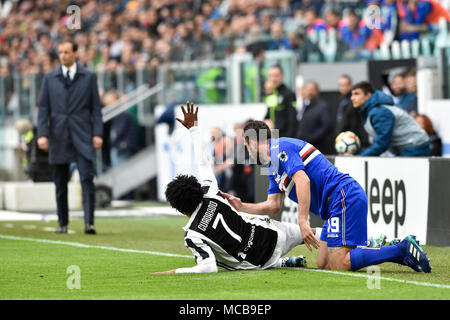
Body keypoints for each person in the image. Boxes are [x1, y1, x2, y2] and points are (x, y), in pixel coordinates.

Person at [221, 119, 431, 273]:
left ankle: (400, 247)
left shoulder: (279, 147)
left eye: (245, 145)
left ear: (252, 142)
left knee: (340, 264)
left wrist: (302, 221)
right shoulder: (271, 166)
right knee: (324, 263)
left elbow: (303, 180)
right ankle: (394, 252)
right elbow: (273, 205)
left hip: (343, 196)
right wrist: (241, 207)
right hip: (334, 206)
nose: (245, 151)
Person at [155, 102, 320, 274]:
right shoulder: (211, 192)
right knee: (319, 234)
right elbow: (203, 163)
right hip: (273, 235)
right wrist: (194, 130)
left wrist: (173, 272)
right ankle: (320, 243)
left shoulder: (193, 234)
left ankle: (279, 263)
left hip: (258, 262)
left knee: (228, 257)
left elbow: (208, 267)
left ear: (179, 209)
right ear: (196, 187)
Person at [37, 40, 103, 234]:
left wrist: (97, 133)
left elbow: (96, 109)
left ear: (75, 53)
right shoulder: (49, 77)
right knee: (60, 182)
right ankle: (62, 223)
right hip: (58, 136)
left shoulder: (89, 77)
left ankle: (89, 223)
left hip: (83, 135)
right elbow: (44, 110)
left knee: (87, 180)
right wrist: (42, 134)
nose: (63, 56)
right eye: (60, 52)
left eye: (67, 52)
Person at [350, 81, 430, 156]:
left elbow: (382, 144)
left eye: (356, 94)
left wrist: (359, 157)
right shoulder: (372, 111)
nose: (352, 98)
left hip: (415, 146)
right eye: (352, 94)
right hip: (407, 147)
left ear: (368, 95)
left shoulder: (379, 112)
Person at [296, 81, 333, 154]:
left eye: (312, 90)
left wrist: (310, 139)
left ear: (317, 91)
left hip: (317, 149)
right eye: (308, 89)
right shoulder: (305, 106)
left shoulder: (322, 107)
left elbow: (327, 127)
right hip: (303, 147)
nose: (310, 92)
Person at [334, 75, 369, 150]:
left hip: (352, 139)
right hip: (341, 137)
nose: (342, 87)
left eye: (345, 85)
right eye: (340, 85)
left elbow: (356, 124)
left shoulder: (354, 102)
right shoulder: (340, 100)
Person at [264, 65, 297, 138]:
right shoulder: (270, 94)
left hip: (284, 136)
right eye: (271, 76)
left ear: (282, 76)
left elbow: (292, 119)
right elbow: (268, 114)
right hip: (273, 134)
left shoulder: (289, 94)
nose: (274, 78)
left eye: (276, 75)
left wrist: (288, 138)